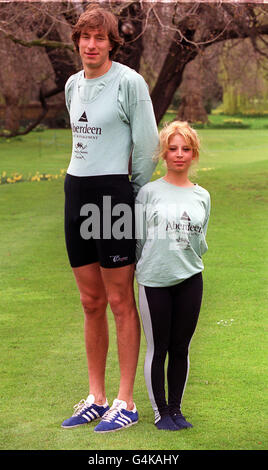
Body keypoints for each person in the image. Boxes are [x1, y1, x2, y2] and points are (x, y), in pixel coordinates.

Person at [61, 5, 158, 433]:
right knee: (90, 301)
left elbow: (148, 145)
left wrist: (127, 193)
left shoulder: (129, 83)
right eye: (85, 37)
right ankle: (96, 397)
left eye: (100, 38)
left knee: (120, 301)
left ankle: (125, 401)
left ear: (112, 43)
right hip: (76, 191)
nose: (91, 45)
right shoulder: (71, 85)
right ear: (78, 40)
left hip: (113, 196)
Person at [135, 121, 211, 431]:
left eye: (185, 149)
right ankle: (161, 412)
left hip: (190, 279)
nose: (179, 154)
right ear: (164, 153)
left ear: (194, 154)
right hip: (154, 281)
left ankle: (177, 410)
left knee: (181, 348)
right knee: (159, 347)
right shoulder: (148, 192)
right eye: (173, 148)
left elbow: (200, 239)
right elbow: (138, 240)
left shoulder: (202, 196)